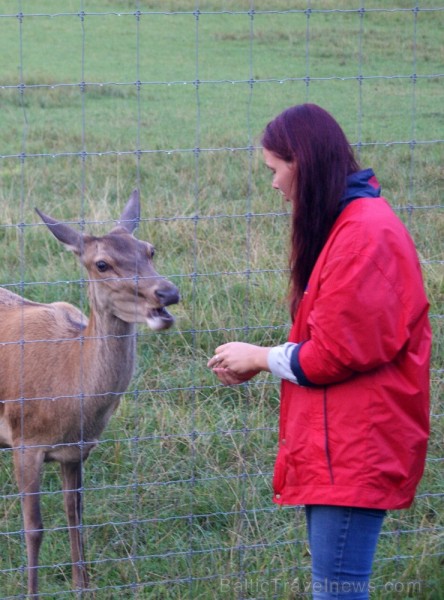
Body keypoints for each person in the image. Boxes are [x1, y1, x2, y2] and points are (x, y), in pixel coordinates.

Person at [207, 103, 431, 599]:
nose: (273, 184)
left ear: (301, 163)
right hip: (343, 441)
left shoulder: (363, 236)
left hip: (356, 446)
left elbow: (332, 353)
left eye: (274, 169)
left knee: (338, 591)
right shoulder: (350, 225)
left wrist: (261, 357)